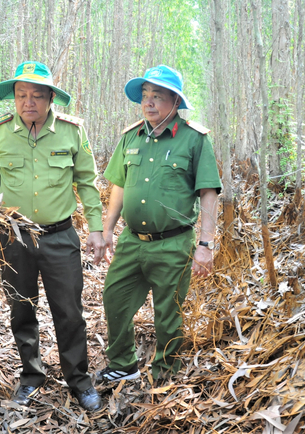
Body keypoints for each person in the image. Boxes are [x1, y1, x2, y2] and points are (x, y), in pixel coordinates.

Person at [0, 61, 105, 411]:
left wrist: (95, 228)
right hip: (14, 238)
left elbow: (87, 183)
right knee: (21, 310)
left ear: (51, 98)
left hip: (59, 237)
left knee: (69, 311)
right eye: (21, 95)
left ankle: (79, 380)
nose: (28, 102)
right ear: (14, 98)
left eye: (37, 95)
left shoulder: (71, 131)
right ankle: (31, 375)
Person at [97, 65, 221, 383]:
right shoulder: (131, 137)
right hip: (132, 241)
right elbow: (119, 187)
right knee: (115, 297)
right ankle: (123, 365)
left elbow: (208, 192)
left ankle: (165, 372)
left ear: (176, 102)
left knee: (169, 313)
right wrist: (108, 230)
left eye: (158, 96)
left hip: (173, 242)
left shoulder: (194, 140)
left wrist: (206, 244)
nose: (148, 102)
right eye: (145, 96)